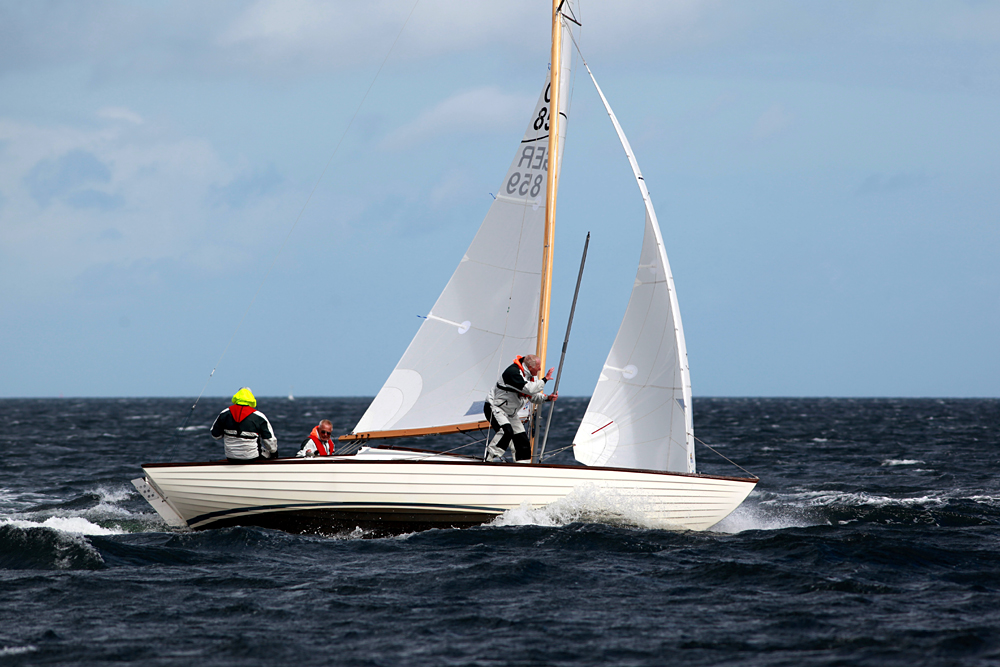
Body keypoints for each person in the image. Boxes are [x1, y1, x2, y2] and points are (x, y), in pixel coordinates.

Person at [483, 354, 557, 463]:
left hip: (510, 413)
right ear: (530, 367)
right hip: (494, 408)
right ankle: (488, 461)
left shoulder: (530, 376)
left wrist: (547, 398)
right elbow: (529, 389)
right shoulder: (512, 373)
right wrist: (544, 379)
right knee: (506, 432)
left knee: (522, 442)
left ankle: (523, 467)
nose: (540, 368)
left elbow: (532, 395)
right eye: (538, 366)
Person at [211, 387, 278, 463]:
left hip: (231, 457)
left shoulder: (224, 413)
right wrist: (274, 453)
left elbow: (215, 435)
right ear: (251, 398)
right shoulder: (259, 416)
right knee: (270, 454)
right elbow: (270, 441)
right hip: (252, 457)